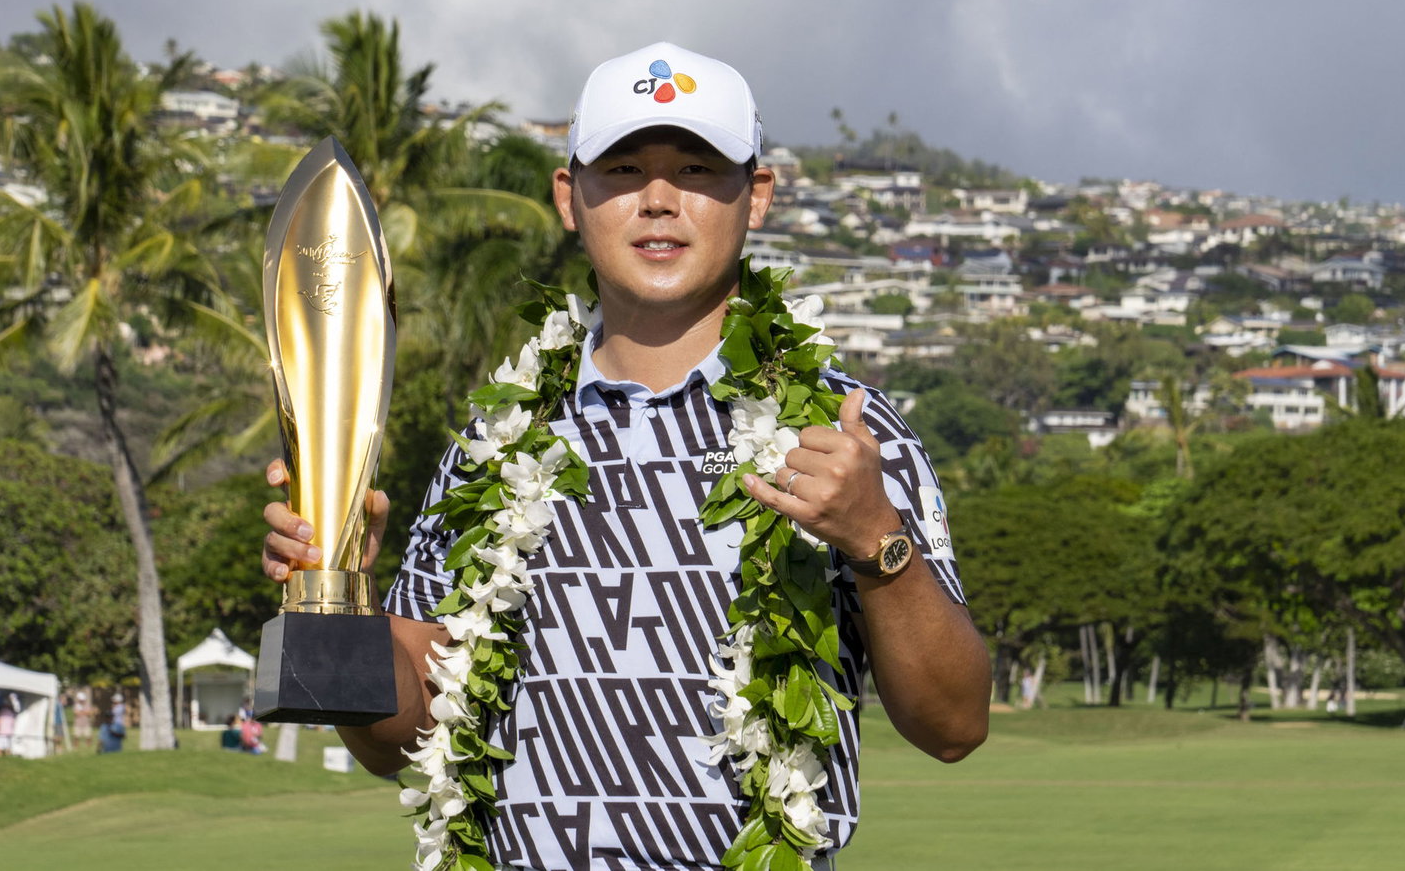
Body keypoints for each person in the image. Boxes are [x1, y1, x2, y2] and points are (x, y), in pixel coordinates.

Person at [262, 42, 990, 870]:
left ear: (756, 197)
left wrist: (876, 542)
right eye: (623, 168)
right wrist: (341, 599)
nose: (657, 200)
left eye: (695, 168)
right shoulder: (493, 444)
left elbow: (955, 727)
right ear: (571, 197)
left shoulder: (848, 431)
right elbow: (401, 738)